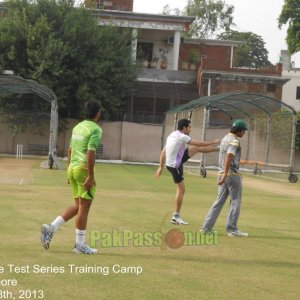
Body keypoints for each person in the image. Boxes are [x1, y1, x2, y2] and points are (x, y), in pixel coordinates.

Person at [41, 100, 102, 254]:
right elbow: (91, 152)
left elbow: (70, 150)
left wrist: (70, 169)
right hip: (82, 170)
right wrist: (90, 175)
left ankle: (51, 227)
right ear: (98, 114)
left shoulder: (77, 127)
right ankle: (79, 245)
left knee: (78, 206)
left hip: (73, 168)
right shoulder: (96, 129)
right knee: (84, 208)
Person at [155, 118, 220, 225]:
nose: (190, 129)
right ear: (184, 128)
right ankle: (176, 217)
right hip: (175, 166)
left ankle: (220, 148)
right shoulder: (182, 136)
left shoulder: (173, 135)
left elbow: (163, 151)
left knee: (195, 149)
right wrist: (213, 141)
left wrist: (160, 167)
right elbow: (200, 143)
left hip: (175, 161)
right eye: (189, 127)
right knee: (181, 190)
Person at [201, 119, 249, 237]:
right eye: (244, 131)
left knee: (219, 201)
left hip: (221, 173)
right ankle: (232, 229)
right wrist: (226, 174)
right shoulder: (234, 141)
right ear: (240, 130)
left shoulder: (225, 138)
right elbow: (229, 156)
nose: (244, 133)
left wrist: (223, 174)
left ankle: (206, 227)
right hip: (231, 175)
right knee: (235, 201)